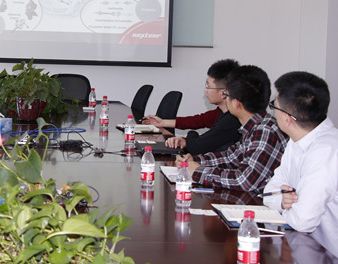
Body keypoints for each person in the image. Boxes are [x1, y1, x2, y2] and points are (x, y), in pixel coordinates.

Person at [176, 65, 288, 193]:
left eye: (226, 95)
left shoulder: (265, 131)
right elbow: (230, 158)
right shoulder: (254, 126)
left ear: (236, 103)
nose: (225, 99)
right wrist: (194, 161)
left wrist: (198, 171)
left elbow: (244, 181)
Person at [263, 71, 338, 238]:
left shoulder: (326, 150)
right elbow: (269, 193)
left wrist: (287, 207)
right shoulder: (299, 139)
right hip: (306, 243)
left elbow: (303, 221)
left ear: (287, 119)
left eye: (274, 106)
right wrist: (283, 202)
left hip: (327, 249)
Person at [143, 59, 241, 155]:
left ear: (223, 92)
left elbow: (197, 147)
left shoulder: (232, 119)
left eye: (208, 86)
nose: (205, 90)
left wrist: (190, 135)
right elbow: (198, 120)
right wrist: (163, 122)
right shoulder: (221, 112)